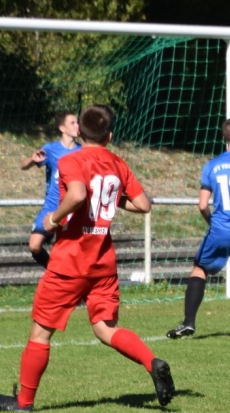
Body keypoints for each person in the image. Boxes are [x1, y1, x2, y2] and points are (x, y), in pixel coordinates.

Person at [0, 105, 175, 411]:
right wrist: (113, 199)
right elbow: (144, 204)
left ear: (79, 131)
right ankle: (152, 362)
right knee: (105, 328)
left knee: (41, 333)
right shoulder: (117, 163)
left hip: (70, 262)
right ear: (110, 135)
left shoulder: (72, 159)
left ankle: (24, 403)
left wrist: (54, 217)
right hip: (103, 263)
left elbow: (78, 194)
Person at [166, 118, 230, 341]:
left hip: (220, 228)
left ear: (224, 138)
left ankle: (189, 322)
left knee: (199, 268)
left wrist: (211, 222)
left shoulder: (212, 165)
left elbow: (203, 204)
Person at [19, 111, 80, 268]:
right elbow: (23, 166)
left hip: (73, 207)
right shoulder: (51, 149)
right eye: (72, 123)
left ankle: (66, 279)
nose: (77, 126)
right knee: (34, 246)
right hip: (52, 206)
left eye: (77, 122)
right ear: (62, 128)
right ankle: (54, 272)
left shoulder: (82, 151)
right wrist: (32, 160)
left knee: (71, 250)